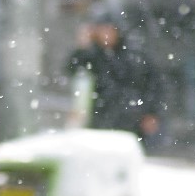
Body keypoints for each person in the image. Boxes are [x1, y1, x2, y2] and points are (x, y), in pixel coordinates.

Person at [66, 15, 162, 143]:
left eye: (109, 30)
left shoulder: (133, 55)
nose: (105, 35)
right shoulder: (92, 55)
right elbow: (73, 69)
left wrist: (152, 112)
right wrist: (82, 46)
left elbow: (152, 84)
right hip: (100, 117)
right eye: (101, 31)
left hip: (130, 118)